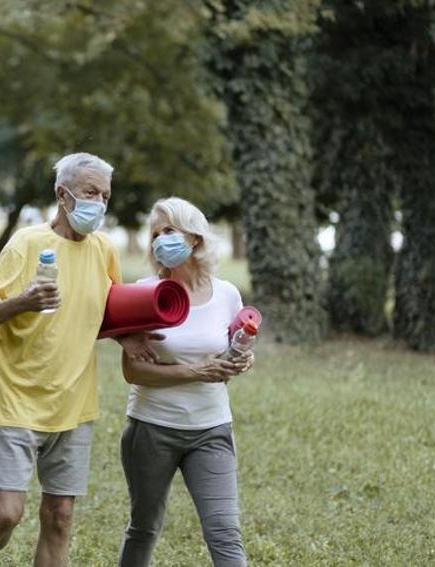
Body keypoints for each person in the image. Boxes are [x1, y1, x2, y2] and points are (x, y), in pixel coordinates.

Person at [0, 152, 155, 567]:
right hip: (16, 401)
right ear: (62, 194)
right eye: (90, 192)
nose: (99, 203)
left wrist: (126, 337)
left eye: (105, 196)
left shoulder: (104, 249)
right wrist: (23, 301)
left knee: (60, 516)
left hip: (73, 404)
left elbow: (106, 311)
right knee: (7, 514)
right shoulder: (27, 244)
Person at [117, 197, 254, 567]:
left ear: (194, 237)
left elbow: (230, 352)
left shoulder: (227, 294)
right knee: (144, 528)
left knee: (225, 531)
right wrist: (194, 372)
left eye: (169, 230)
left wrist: (242, 360)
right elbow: (133, 372)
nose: (161, 240)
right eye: (155, 235)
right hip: (152, 429)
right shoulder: (145, 293)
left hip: (211, 430)